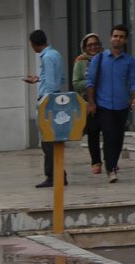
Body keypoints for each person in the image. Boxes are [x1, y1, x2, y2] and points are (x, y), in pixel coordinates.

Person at [85, 24, 135, 182]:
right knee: (108, 135)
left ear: (125, 40)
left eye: (121, 36)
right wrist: (91, 102)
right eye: (115, 36)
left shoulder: (129, 61)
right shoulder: (99, 59)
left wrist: (133, 97)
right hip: (103, 105)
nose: (117, 39)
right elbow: (90, 82)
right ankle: (111, 169)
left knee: (118, 137)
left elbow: (133, 82)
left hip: (122, 105)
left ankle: (112, 163)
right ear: (110, 38)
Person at [25, 29, 67, 187]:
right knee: (54, 140)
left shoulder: (47, 57)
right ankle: (60, 174)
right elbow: (60, 78)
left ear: (34, 44)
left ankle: (53, 176)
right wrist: (38, 79)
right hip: (55, 98)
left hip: (48, 101)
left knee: (47, 141)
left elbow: (50, 84)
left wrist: (45, 104)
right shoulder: (55, 54)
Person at [73, 32, 103, 174]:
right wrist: (92, 83)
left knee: (110, 132)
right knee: (93, 132)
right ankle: (96, 162)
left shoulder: (106, 58)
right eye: (90, 45)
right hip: (89, 102)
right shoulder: (81, 61)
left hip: (106, 100)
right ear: (85, 47)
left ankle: (111, 160)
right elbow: (76, 83)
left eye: (96, 44)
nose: (93, 47)